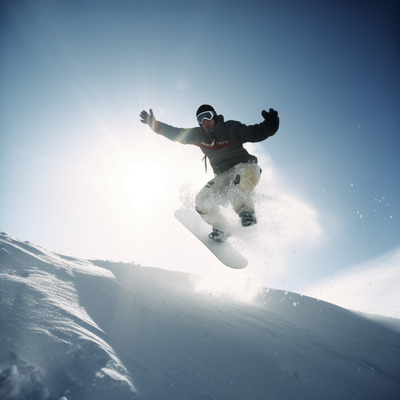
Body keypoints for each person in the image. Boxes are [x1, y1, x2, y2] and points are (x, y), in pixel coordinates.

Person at [140, 105, 279, 242]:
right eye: (200, 119)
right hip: (223, 175)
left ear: (214, 116)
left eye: (208, 116)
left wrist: (270, 126)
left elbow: (253, 132)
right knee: (201, 201)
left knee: (237, 185)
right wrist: (155, 125)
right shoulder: (198, 136)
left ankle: (246, 212)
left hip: (245, 167)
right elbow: (176, 133)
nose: (205, 121)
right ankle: (222, 229)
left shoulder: (229, 129)